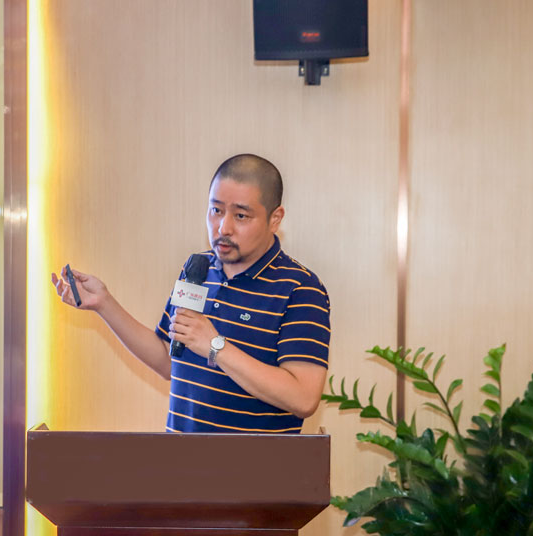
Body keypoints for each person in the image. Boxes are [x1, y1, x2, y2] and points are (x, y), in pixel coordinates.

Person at [52, 154, 330, 433]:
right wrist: (104, 304)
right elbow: (169, 360)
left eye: (241, 216)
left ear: (275, 219)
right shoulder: (197, 269)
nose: (223, 227)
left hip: (255, 461)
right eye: (216, 210)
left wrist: (215, 347)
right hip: (180, 456)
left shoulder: (301, 289)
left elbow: (304, 398)